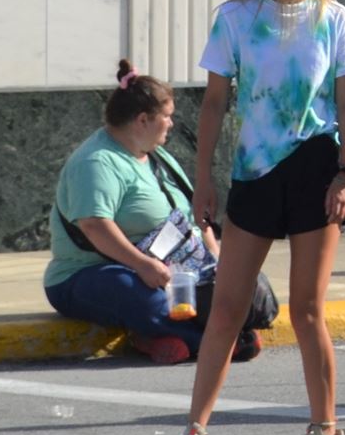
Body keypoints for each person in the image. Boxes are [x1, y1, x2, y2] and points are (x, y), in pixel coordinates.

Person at [153, 0, 345, 435]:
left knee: (306, 309)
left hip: (317, 168)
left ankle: (326, 434)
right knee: (225, 308)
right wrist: (203, 179)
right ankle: (193, 434)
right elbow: (217, 104)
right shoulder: (235, 18)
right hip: (254, 173)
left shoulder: (334, 18)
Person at [47, 64, 226, 365]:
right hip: (91, 274)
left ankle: (162, 337)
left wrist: (217, 260)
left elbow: (194, 214)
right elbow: (94, 225)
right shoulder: (97, 162)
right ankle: (214, 344)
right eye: (167, 116)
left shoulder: (157, 155)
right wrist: (142, 265)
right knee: (142, 296)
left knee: (242, 286)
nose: (171, 124)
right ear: (143, 119)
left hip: (171, 268)